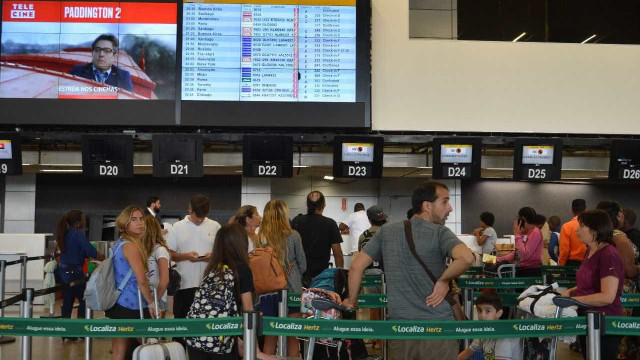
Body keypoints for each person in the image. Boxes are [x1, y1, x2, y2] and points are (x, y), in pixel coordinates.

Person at [344, 181, 474, 359]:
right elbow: (467, 258)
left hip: (400, 329)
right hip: (438, 329)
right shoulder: (440, 233)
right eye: (445, 201)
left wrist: (351, 303)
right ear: (427, 206)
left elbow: (356, 266)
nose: (450, 207)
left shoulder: (386, 232)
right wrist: (443, 281)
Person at [185, 223, 273, 360]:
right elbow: (248, 312)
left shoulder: (212, 268)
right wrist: (256, 351)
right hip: (220, 346)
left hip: (196, 340)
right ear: (240, 243)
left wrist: (238, 343)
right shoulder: (242, 269)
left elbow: (217, 313)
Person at [561, 210, 624, 360]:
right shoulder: (590, 250)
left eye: (581, 226)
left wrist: (573, 300)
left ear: (595, 230)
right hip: (588, 319)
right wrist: (572, 291)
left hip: (605, 323)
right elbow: (590, 282)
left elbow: (607, 296)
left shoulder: (609, 255)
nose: (576, 230)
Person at [254, 200, 306, 357]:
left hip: (266, 291)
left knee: (270, 336)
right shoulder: (294, 236)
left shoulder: (259, 237)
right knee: (292, 335)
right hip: (292, 289)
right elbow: (302, 265)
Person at [105, 206, 157, 360]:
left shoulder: (119, 244)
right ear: (125, 223)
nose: (140, 223)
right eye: (133, 220)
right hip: (134, 306)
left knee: (118, 352)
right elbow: (141, 280)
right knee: (150, 349)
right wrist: (151, 303)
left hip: (118, 304)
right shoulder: (132, 246)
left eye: (141, 219)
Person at [166, 195, 221, 332]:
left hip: (209, 286)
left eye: (203, 216)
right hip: (184, 286)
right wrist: (186, 256)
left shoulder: (215, 226)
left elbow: (223, 253)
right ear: (190, 209)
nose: (200, 219)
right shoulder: (177, 227)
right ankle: (178, 353)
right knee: (181, 329)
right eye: (197, 216)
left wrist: (213, 257)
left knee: (207, 329)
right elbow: (169, 254)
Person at [55, 210, 104, 341]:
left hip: (63, 270)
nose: (84, 222)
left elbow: (79, 251)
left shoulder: (65, 234)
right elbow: (90, 250)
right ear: (78, 223)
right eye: (82, 219)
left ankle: (66, 332)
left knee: (68, 299)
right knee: (84, 299)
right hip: (74, 271)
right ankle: (82, 330)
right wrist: (106, 260)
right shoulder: (77, 234)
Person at [292, 191, 344, 286]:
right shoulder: (330, 223)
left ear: (307, 205)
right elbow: (338, 254)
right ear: (323, 205)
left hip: (298, 275)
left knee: (298, 300)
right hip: (321, 276)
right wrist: (340, 276)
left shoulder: (297, 221)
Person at [358, 205, 388, 351]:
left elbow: (360, 259)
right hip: (387, 274)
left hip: (369, 274)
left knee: (373, 308)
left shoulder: (363, 236)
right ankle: (386, 338)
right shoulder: (390, 232)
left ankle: (376, 338)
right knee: (387, 308)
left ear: (370, 220)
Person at [458, 292, 522, 360]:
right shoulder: (484, 331)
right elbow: (468, 352)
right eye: (479, 310)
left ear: (499, 313)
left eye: (487, 311)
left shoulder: (503, 337)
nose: (482, 316)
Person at [69, 34, 134, 92]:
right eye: (97, 50)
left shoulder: (123, 76)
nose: (101, 54)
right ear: (93, 53)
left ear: (114, 56)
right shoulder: (77, 71)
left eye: (107, 51)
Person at [596, 200, 639, 280]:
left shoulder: (599, 235)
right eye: (621, 211)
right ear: (618, 215)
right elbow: (629, 272)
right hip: (621, 287)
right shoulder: (618, 237)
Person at [496, 207, 543, 277]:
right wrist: (497, 259)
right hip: (522, 269)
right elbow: (517, 254)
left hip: (531, 271)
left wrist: (517, 235)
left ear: (523, 219)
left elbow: (525, 255)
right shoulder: (525, 233)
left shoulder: (535, 232)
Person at [143, 215, 170, 318]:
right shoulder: (142, 249)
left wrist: (154, 301)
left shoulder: (160, 250)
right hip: (144, 297)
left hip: (157, 298)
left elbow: (164, 280)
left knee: (156, 330)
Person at [558, 199, 588, 266]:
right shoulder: (591, 225)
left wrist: (561, 265)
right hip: (589, 261)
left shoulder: (566, 226)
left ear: (572, 211)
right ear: (586, 210)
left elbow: (564, 250)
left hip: (572, 264)